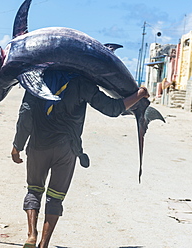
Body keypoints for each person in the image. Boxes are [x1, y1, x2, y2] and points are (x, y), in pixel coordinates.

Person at [11, 69, 150, 248]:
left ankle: (31, 234)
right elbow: (112, 108)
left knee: (34, 190)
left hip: (38, 146)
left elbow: (25, 114)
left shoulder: (37, 80)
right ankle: (43, 244)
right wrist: (140, 94)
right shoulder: (82, 83)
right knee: (55, 197)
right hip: (66, 149)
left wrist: (17, 145)